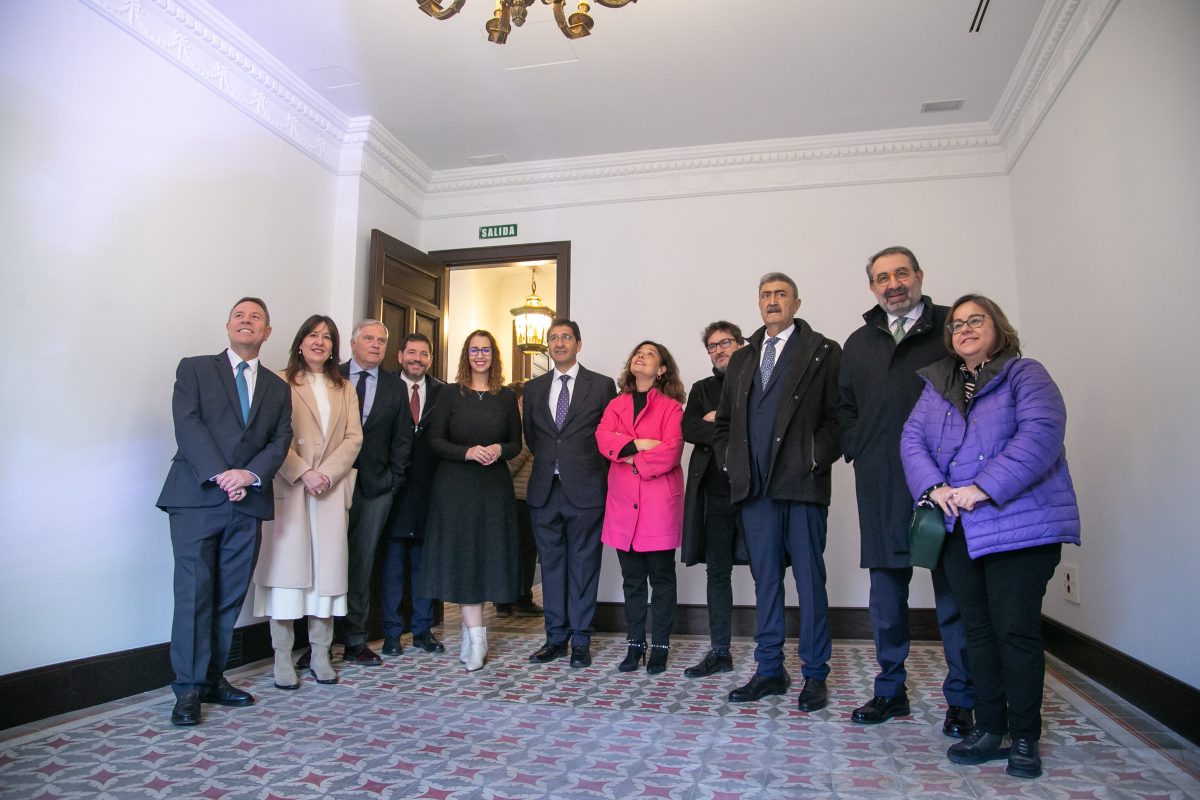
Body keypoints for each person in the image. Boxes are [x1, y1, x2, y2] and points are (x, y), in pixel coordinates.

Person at [901, 294, 1080, 779]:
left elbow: (1040, 436)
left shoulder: (1027, 374)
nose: (964, 329)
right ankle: (989, 727)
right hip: (959, 528)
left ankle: (1024, 737)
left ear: (998, 327)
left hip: (1019, 527)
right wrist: (935, 487)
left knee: (1015, 631)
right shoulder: (938, 384)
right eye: (956, 324)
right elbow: (912, 439)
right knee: (976, 631)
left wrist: (982, 487)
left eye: (975, 320)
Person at [838, 246, 974, 736]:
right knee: (886, 596)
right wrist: (859, 448)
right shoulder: (856, 342)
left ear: (919, 276)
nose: (892, 284)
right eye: (881, 278)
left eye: (901, 274)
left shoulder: (949, 329)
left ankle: (963, 699)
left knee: (954, 596)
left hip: (945, 483)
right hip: (879, 481)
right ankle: (890, 691)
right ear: (872, 287)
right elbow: (843, 409)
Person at [157, 297, 292, 726]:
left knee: (229, 596)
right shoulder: (194, 369)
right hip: (197, 497)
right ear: (228, 326)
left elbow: (280, 440)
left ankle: (214, 679)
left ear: (267, 332)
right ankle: (188, 689)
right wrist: (221, 474)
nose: (246, 321)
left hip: (247, 502)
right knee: (194, 594)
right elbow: (188, 422)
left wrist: (248, 476)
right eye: (239, 315)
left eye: (256, 317)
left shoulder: (278, 387)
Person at [714, 272, 842, 711]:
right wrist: (728, 461)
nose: (773, 301)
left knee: (810, 584)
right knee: (766, 583)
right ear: (758, 304)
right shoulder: (744, 358)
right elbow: (726, 424)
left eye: (781, 295)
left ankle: (814, 674)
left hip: (802, 488)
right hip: (756, 492)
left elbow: (838, 418)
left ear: (797, 303)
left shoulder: (823, 352)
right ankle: (769, 669)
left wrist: (813, 456)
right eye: (766, 295)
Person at [252, 315, 363, 688]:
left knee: (326, 577)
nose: (320, 342)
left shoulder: (345, 388)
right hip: (292, 488)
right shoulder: (279, 381)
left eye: (327, 337)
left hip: (329, 490)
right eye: (313, 335)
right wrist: (303, 472)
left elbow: (353, 438)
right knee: (286, 575)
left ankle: (320, 653)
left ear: (334, 347)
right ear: (300, 342)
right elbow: (271, 437)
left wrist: (326, 474)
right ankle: (282, 657)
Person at [419, 330, 522, 671]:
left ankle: (471, 630)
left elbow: (516, 445)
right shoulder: (450, 394)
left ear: (495, 355)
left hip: (493, 489)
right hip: (455, 488)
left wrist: (497, 449)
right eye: (474, 350)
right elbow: (434, 441)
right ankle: (477, 635)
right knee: (463, 559)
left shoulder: (505, 398)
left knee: (485, 559)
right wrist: (467, 452)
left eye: (486, 350)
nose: (480, 355)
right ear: (466, 355)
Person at [522, 320, 618, 668]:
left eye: (565, 337)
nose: (559, 343)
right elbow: (533, 437)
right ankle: (555, 638)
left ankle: (580, 639)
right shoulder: (533, 389)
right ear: (548, 346)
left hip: (587, 489)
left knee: (584, 566)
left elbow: (609, 435)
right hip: (545, 490)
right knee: (550, 567)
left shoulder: (602, 385)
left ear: (579, 344)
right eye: (553, 338)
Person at [597, 341, 686, 675]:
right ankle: (634, 645)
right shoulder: (615, 404)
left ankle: (660, 646)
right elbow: (602, 437)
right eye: (638, 352)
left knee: (661, 579)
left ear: (661, 369)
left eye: (650, 354)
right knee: (632, 580)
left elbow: (671, 451)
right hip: (622, 505)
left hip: (658, 505)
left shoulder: (672, 408)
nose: (641, 356)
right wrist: (636, 445)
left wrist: (627, 453)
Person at [337, 320, 413, 664]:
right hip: (329, 485)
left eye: (382, 340)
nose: (376, 345)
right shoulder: (331, 376)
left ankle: (354, 640)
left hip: (374, 489)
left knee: (361, 563)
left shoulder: (395, 387)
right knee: (323, 562)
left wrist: (393, 482)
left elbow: (402, 439)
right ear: (353, 343)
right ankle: (315, 643)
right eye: (369, 338)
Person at [680, 321, 748, 678]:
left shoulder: (757, 379)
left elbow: (759, 428)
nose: (719, 350)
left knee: (767, 572)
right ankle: (720, 650)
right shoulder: (702, 388)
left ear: (740, 344)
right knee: (717, 572)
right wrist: (731, 424)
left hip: (754, 492)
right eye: (712, 346)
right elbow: (690, 428)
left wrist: (718, 419)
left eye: (725, 343)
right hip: (715, 496)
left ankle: (771, 654)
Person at [380, 333, 446, 655]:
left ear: (430, 359)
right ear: (400, 355)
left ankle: (422, 631)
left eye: (423, 353)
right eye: (411, 352)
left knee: (425, 566)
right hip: (391, 491)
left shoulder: (444, 393)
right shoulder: (386, 387)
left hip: (430, 493)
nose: (417, 358)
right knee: (392, 567)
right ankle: (392, 633)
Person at [497, 381, 543, 619]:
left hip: (516, 496)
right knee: (524, 549)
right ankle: (521, 598)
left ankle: (505, 600)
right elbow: (516, 458)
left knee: (512, 548)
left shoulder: (509, 424)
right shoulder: (524, 425)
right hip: (520, 496)